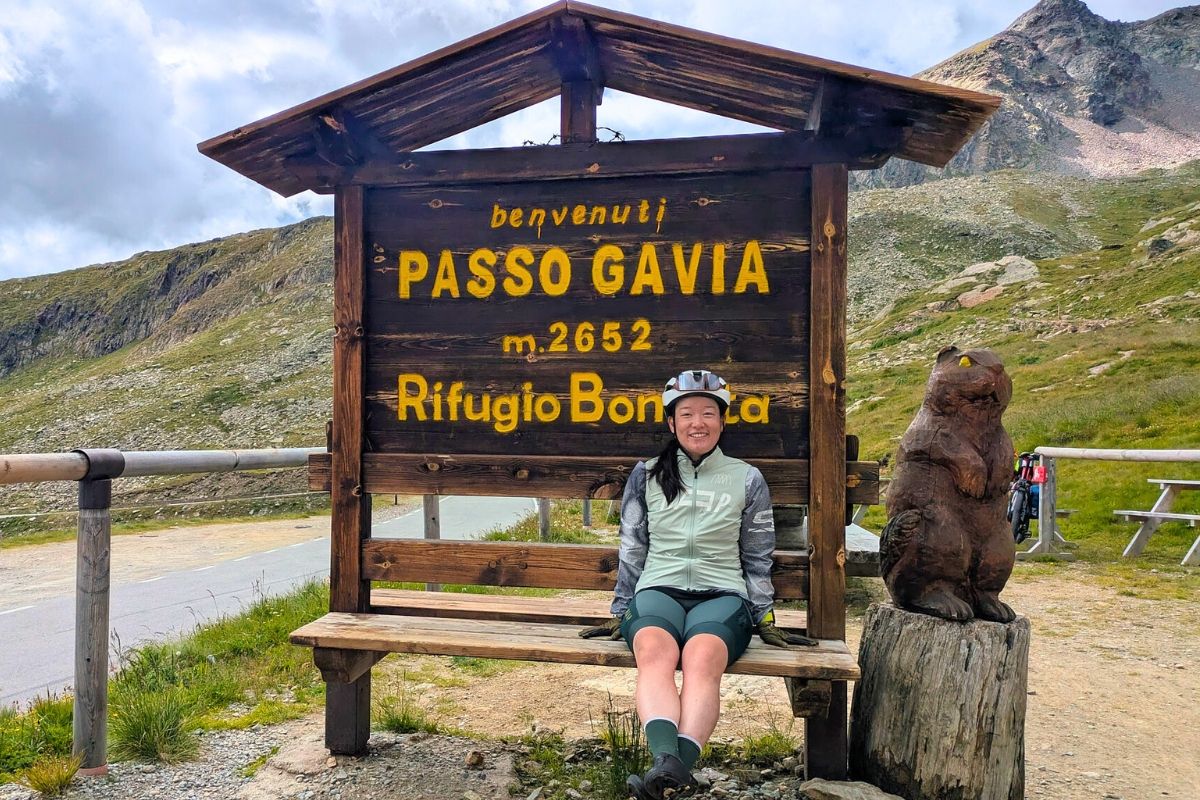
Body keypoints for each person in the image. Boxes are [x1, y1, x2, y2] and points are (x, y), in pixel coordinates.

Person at [579, 369, 815, 800]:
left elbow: (757, 554)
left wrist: (763, 614)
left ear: (723, 422)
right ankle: (670, 770)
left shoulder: (747, 478)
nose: (697, 423)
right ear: (671, 423)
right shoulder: (646, 474)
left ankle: (665, 773)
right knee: (654, 652)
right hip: (658, 590)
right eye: (686, 413)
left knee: (703, 659)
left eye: (709, 413)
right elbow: (632, 547)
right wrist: (620, 610)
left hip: (723, 594)